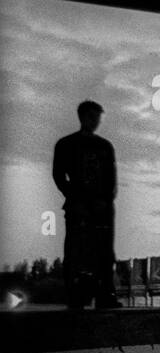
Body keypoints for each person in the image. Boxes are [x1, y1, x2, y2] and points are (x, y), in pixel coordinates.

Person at [53, 100, 120, 309]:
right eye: (92, 117)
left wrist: (106, 201)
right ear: (82, 117)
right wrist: (74, 198)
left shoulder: (105, 146)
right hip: (78, 207)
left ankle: (105, 296)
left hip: (102, 209)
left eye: (97, 118)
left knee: (105, 252)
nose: (95, 121)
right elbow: (58, 175)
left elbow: (112, 179)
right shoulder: (66, 144)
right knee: (75, 251)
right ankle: (75, 297)